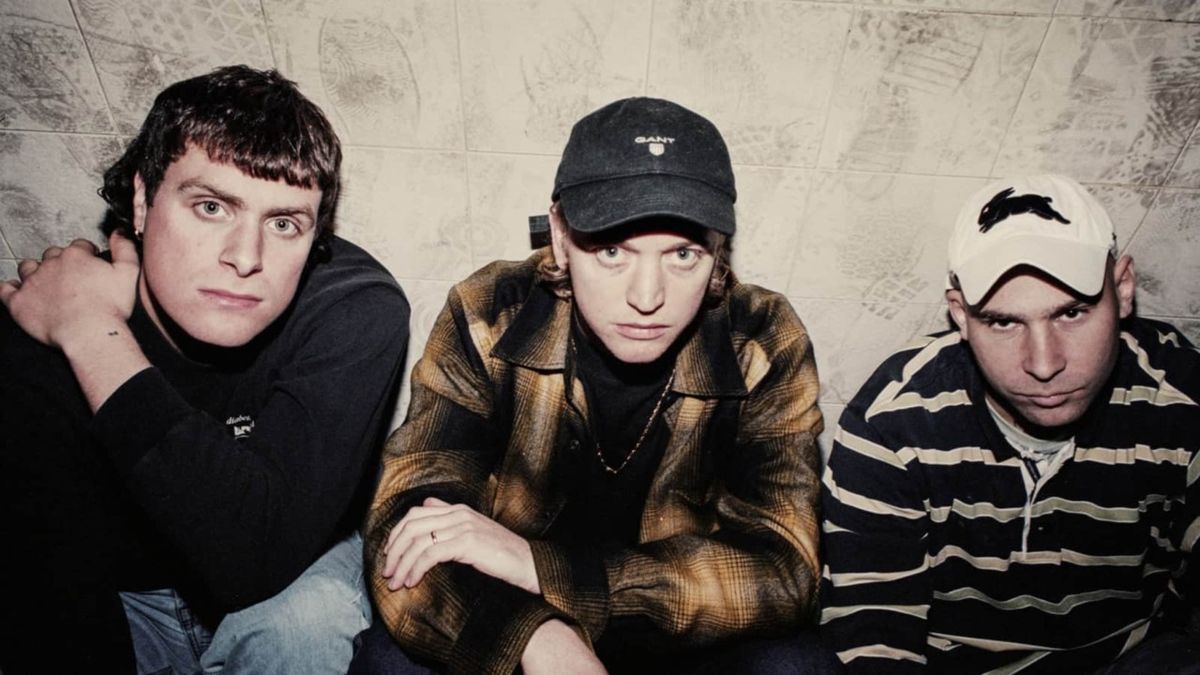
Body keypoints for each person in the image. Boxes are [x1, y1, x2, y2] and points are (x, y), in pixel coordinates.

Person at [349, 97, 838, 674]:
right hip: (518, 618)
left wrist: (544, 568)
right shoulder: (489, 314)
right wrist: (539, 637)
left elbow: (785, 574)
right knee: (389, 661)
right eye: (611, 251)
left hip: (678, 633)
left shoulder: (761, 339)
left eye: (683, 255)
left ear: (718, 252)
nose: (647, 297)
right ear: (559, 236)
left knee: (797, 665)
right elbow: (404, 530)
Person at [0, 65, 410, 674]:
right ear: (142, 201)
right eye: (211, 206)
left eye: (283, 223)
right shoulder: (35, 334)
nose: (245, 258)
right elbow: (53, 601)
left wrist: (92, 336)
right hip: (121, 597)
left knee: (302, 624)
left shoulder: (353, 308)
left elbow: (257, 557)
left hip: (287, 574)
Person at [820, 174, 1200, 673]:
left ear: (1123, 289)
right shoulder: (893, 422)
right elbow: (876, 630)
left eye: (1072, 313)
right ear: (960, 315)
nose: (1043, 364)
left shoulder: (1183, 400)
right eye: (1003, 322)